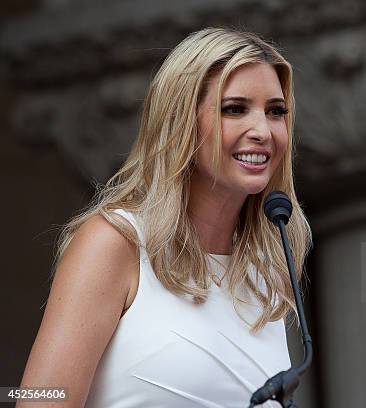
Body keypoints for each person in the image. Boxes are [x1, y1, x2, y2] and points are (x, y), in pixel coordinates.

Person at [18, 27, 312, 407]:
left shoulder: (268, 268)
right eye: (234, 109)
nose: (263, 131)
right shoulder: (116, 242)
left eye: (276, 112)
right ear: (181, 122)